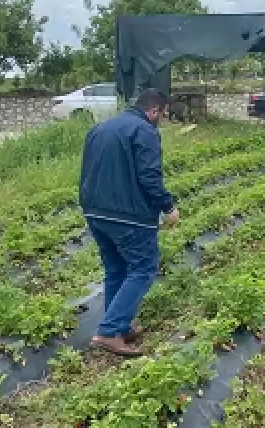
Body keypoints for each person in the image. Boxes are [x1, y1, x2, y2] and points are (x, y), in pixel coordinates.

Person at [79, 88, 179, 356]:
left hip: (95, 211)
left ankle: (119, 325)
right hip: (128, 215)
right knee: (143, 268)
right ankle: (109, 332)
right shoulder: (144, 131)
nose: (163, 119)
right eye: (164, 114)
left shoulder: (100, 129)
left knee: (116, 269)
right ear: (154, 110)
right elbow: (149, 176)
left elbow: (87, 170)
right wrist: (168, 206)